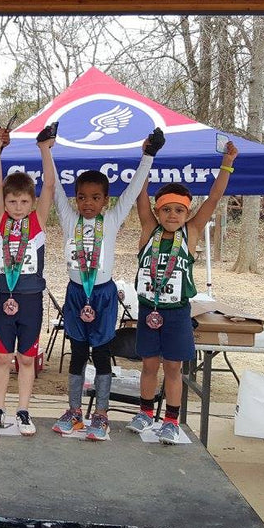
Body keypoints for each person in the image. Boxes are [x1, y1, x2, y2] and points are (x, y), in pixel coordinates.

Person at [49, 129, 160, 441]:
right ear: (76, 199)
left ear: (105, 200)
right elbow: (54, 186)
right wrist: (46, 150)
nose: (87, 203)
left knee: (100, 355)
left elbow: (134, 189)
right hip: (75, 293)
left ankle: (101, 414)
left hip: (103, 295)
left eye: (95, 198)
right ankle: (74, 411)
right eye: (82, 197)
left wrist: (147, 156)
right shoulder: (70, 219)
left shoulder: (111, 219)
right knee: (77, 353)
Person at [127, 140, 239, 445]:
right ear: (157, 212)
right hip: (148, 308)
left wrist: (227, 163)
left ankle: (171, 420)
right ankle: (145, 413)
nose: (173, 215)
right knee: (149, 364)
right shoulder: (149, 228)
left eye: (179, 210)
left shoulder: (190, 231)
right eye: (167, 209)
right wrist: (145, 158)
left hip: (176, 312)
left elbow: (214, 198)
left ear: (186, 212)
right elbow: (140, 194)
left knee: (173, 367)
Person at [0, 122, 56, 436]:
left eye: (24, 202)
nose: (17, 207)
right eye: (13, 202)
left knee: (26, 360)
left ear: (32, 202)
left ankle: (23, 411)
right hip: (4, 297)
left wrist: (44, 150)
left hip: (30, 300)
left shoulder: (37, 221)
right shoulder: (0, 219)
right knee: (1, 356)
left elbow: (50, 187)